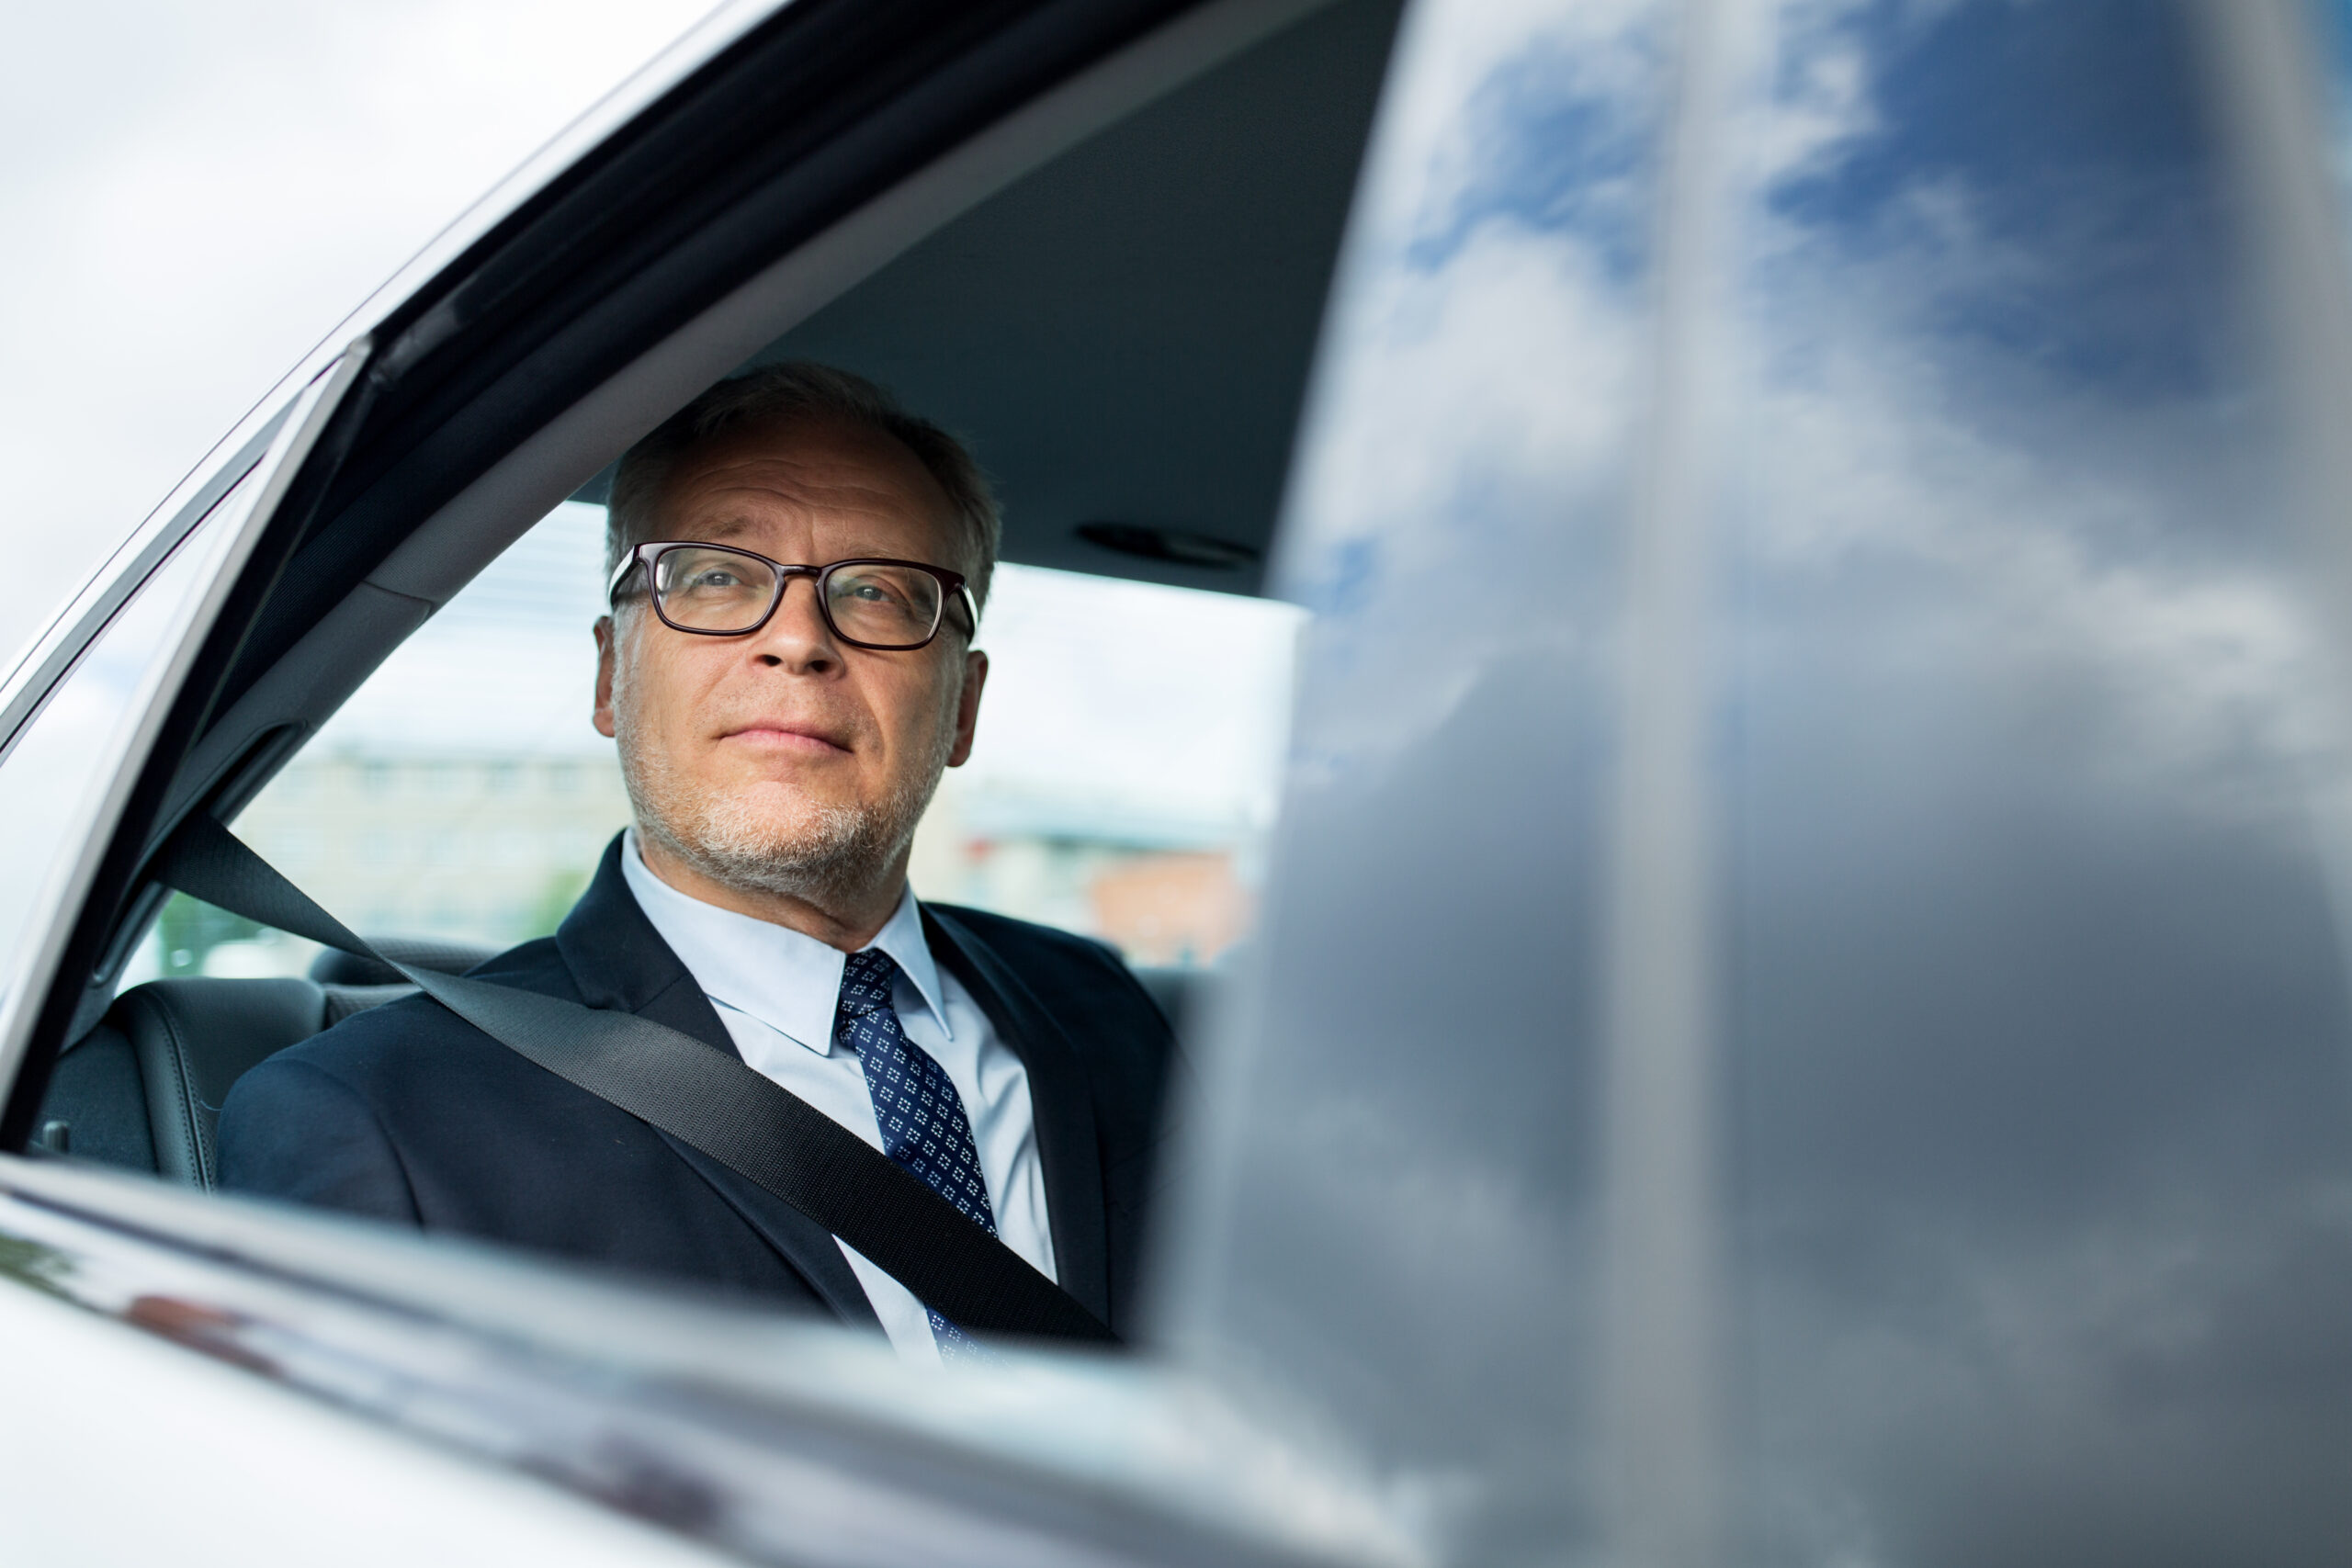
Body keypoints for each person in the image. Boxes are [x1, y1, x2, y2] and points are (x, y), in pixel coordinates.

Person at [217, 364, 1178, 1360]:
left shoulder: (1104, 1010)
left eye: (882, 593)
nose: (799, 640)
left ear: (963, 708)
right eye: (715, 577)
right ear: (609, 677)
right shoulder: (376, 1114)